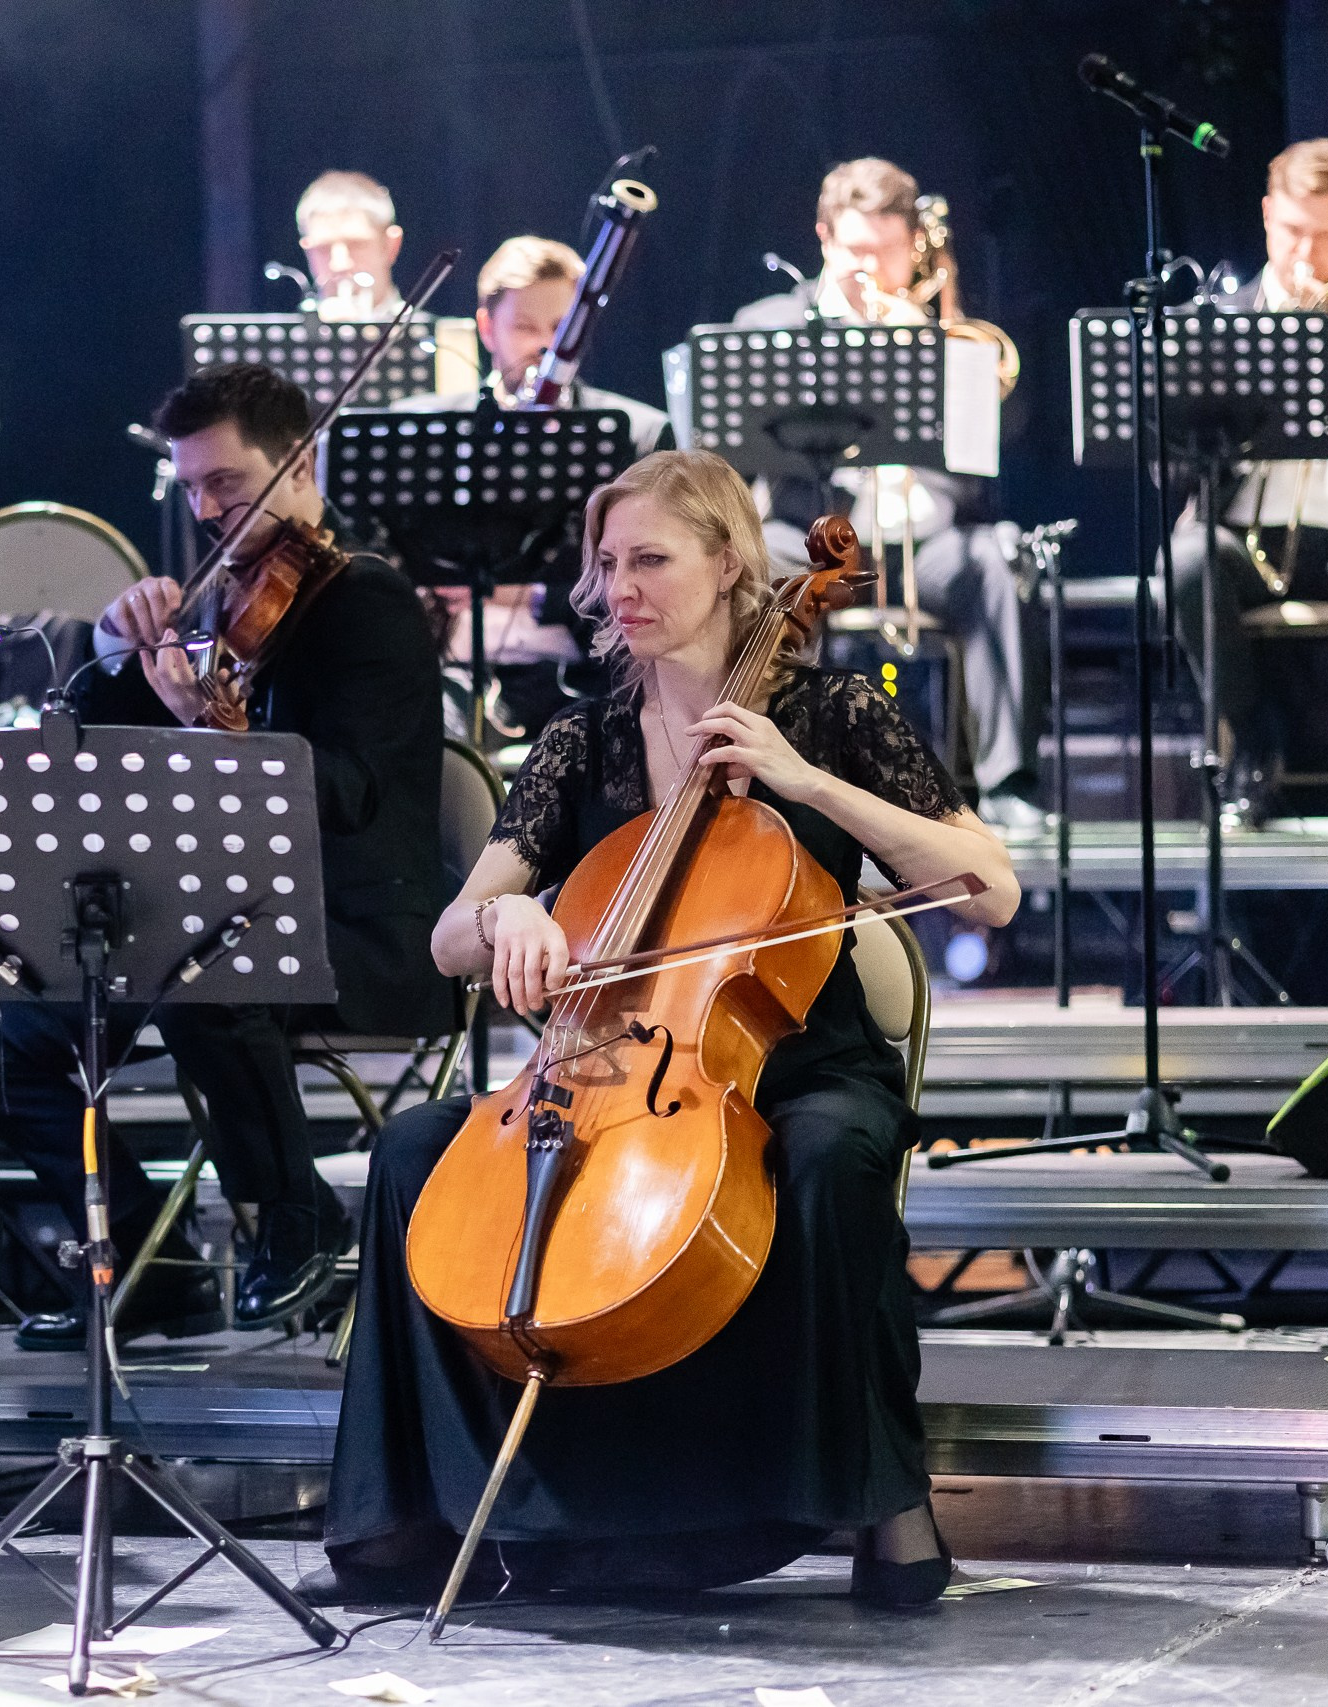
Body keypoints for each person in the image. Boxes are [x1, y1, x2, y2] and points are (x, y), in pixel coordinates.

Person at [313, 450, 1019, 1610]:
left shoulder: (834, 716)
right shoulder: (581, 745)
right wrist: (510, 913)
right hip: (606, 1065)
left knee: (837, 1160)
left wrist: (807, 782)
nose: (619, 587)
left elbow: (989, 890)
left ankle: (880, 1498)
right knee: (409, 1153)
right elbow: (450, 938)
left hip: (794, 1061)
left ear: (730, 565)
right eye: (606, 563)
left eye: (649, 559)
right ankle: (415, 1513)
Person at [0, 363, 458, 1348]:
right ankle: (154, 1261)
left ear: (300, 462)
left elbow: (348, 796)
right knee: (5, 1019)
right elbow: (93, 746)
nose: (207, 510)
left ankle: (296, 1220)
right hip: (226, 929)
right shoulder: (220, 614)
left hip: (368, 931)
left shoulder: (369, 606)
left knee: (203, 969)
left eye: (227, 485)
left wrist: (220, 739)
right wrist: (116, 641)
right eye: (192, 489)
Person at [734, 158, 1036, 826]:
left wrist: (924, 347)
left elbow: (997, 445)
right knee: (766, 576)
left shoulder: (944, 334)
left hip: (922, 544)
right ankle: (772, 778)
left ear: (914, 249)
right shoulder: (770, 324)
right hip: (812, 539)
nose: (871, 268)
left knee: (993, 562)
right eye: (855, 251)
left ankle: (1007, 784)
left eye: (888, 252)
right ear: (822, 238)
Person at [1169, 138, 1328, 813]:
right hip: (1244, 538)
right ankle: (1252, 743)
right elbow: (1162, 467)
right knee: (1187, 559)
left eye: (1326, 235)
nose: (1305, 253)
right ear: (1265, 215)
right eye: (1291, 230)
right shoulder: (1218, 323)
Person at [396, 235, 674, 679]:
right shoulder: (419, 429)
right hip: (444, 670)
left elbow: (652, 580)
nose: (547, 345)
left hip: (587, 672)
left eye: (562, 328)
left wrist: (517, 595)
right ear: (488, 329)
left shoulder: (638, 433)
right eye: (526, 327)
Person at [295, 170, 406, 319]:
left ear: (391, 245)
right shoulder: (284, 341)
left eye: (356, 245)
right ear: (307, 251)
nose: (340, 264)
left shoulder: (435, 340)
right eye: (323, 248)